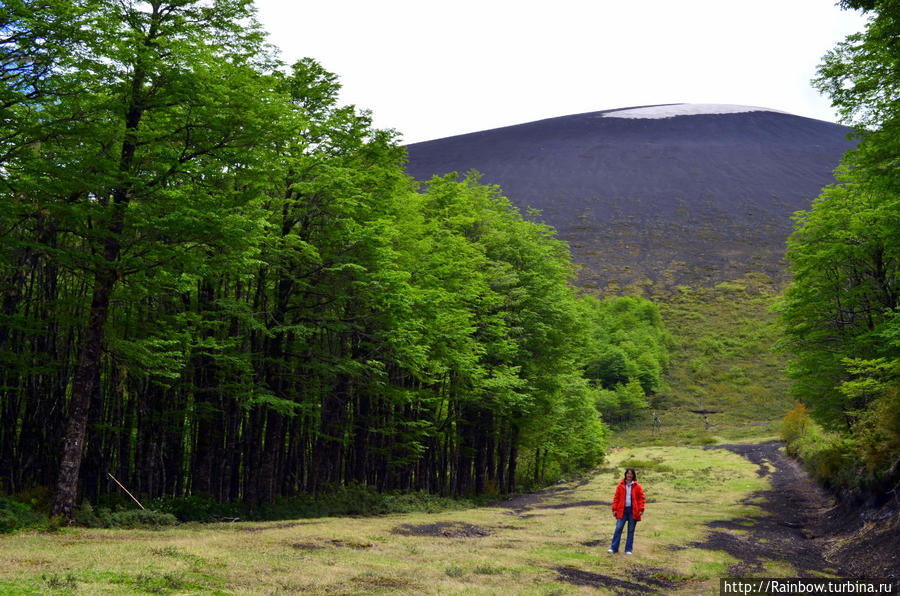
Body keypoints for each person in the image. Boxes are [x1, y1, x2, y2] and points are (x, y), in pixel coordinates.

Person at [608, 467, 645, 554]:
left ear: (633, 476)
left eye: (631, 474)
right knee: (618, 528)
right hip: (622, 510)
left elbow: (641, 499)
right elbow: (616, 498)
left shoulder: (637, 486)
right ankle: (613, 548)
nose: (629, 475)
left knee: (631, 530)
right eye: (628, 474)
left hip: (633, 511)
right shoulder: (620, 485)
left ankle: (628, 549)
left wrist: (641, 509)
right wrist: (614, 509)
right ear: (625, 474)